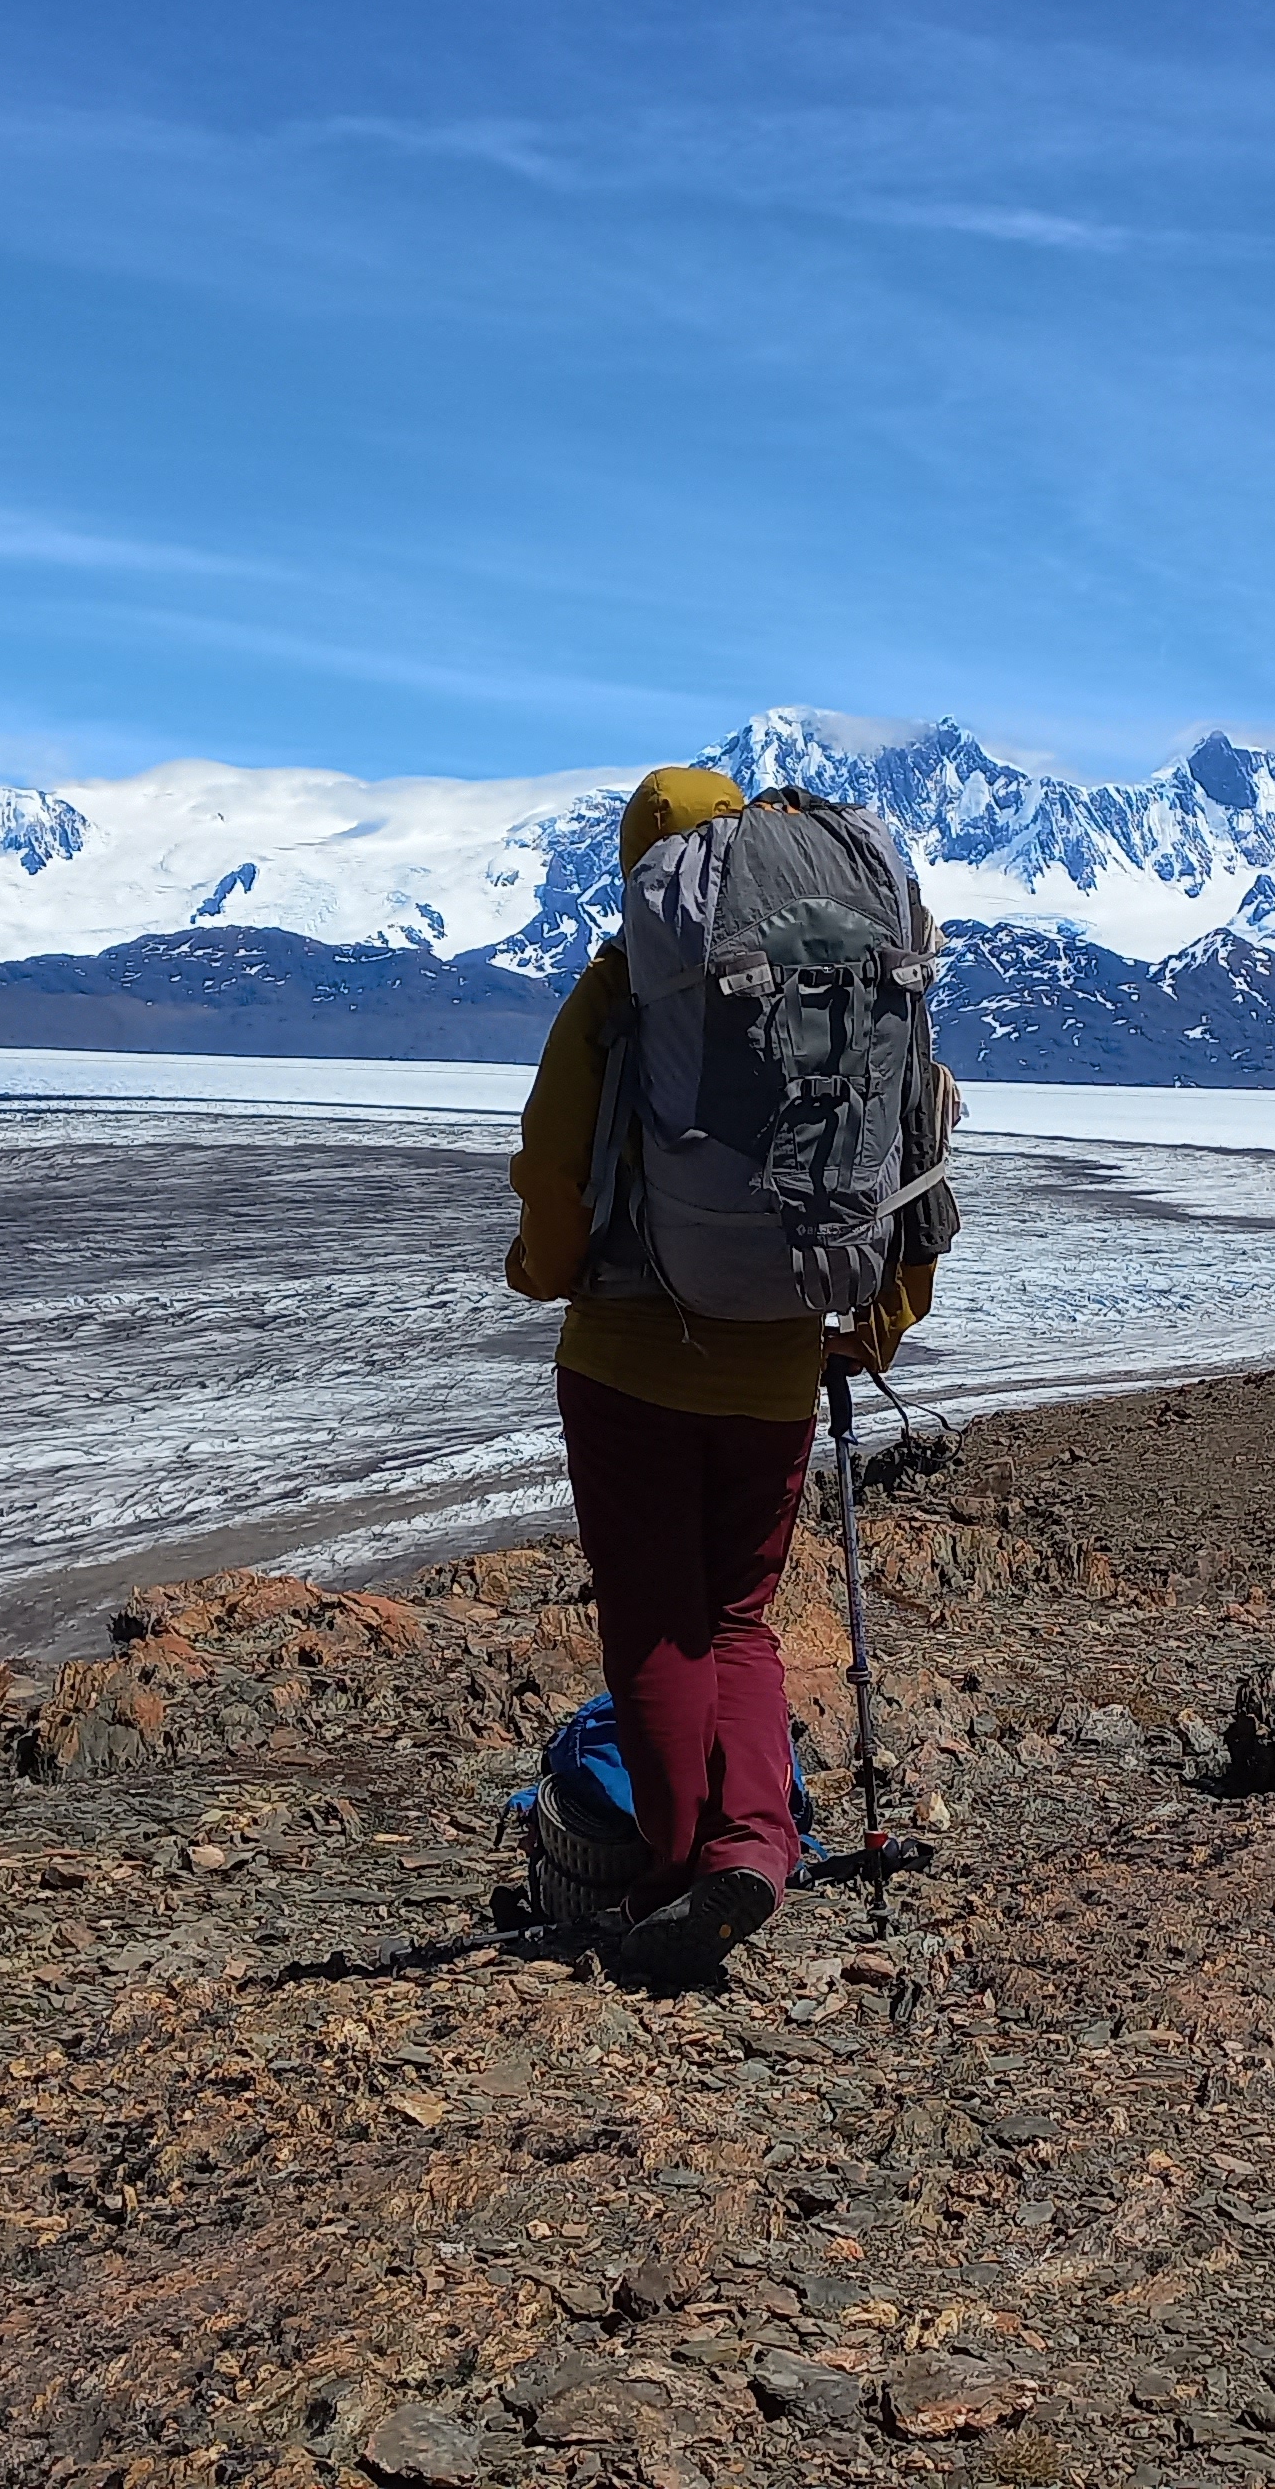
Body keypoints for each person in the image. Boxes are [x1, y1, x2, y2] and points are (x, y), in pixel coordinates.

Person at [506, 765, 936, 1985]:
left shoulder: (618, 991)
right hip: (778, 1359)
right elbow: (899, 1149)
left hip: (628, 1359)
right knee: (737, 1617)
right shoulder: (834, 981)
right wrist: (873, 1321)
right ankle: (753, 1842)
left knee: (654, 1620)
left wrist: (542, 1271)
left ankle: (671, 1869)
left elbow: (553, 1169)